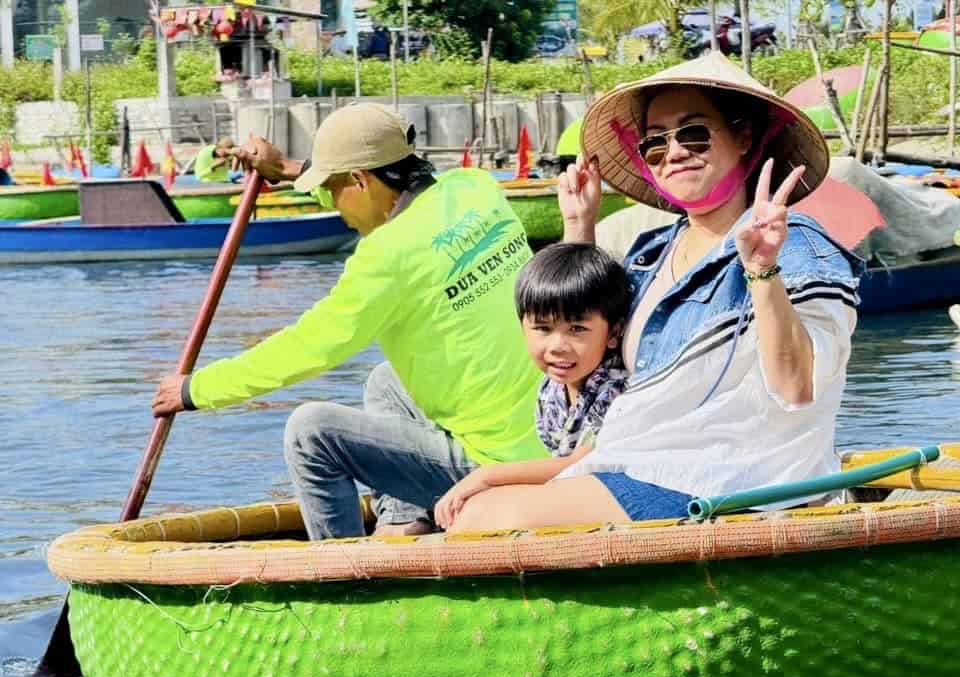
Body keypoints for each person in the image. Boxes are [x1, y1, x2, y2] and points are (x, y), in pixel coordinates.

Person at [446, 52, 864, 533]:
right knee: (476, 506)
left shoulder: (800, 245)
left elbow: (798, 387)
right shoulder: (652, 254)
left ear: (743, 137)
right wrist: (579, 226)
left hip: (733, 483)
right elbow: (588, 367)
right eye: (655, 143)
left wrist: (762, 271)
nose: (675, 152)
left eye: (693, 134)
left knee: (485, 517)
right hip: (636, 465)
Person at [151, 103, 547, 539]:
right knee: (385, 382)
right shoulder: (474, 187)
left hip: (497, 470)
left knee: (310, 433)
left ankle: (346, 570)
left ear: (360, 180)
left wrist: (195, 390)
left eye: (333, 190)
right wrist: (287, 169)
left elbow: (306, 348)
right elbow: (363, 177)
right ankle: (403, 522)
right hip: (548, 438)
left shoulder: (385, 257)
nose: (336, 207)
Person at [434, 243, 630, 529]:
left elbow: (579, 463)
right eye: (543, 328)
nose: (557, 346)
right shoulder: (552, 390)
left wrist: (486, 476)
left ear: (614, 332)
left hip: (610, 497)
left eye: (577, 329)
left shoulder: (614, 390)